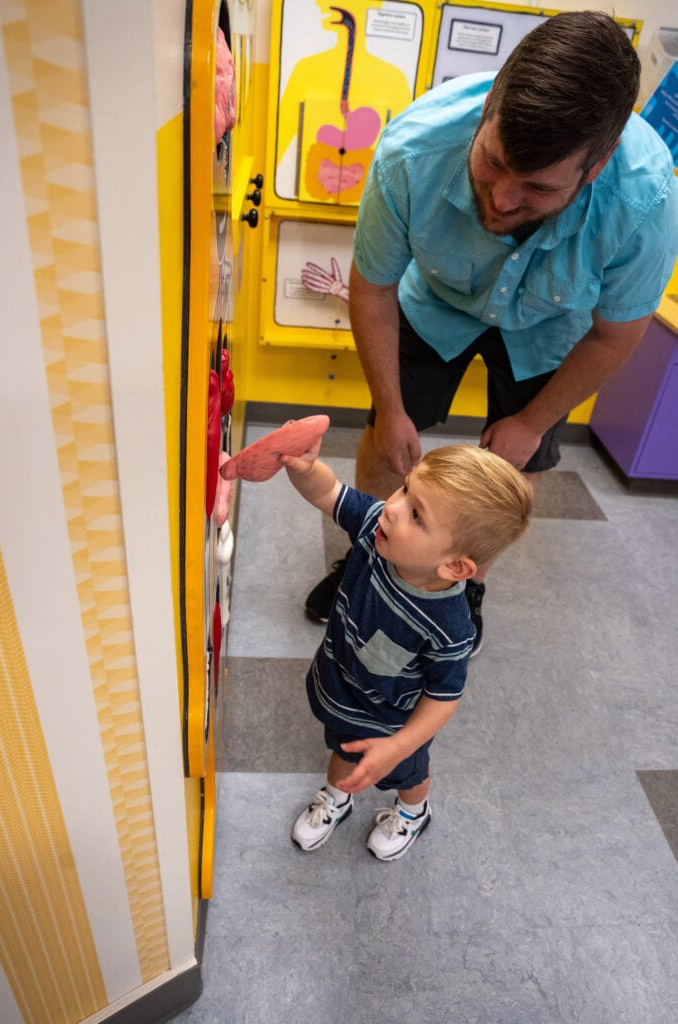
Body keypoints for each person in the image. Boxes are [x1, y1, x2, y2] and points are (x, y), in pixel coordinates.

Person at [304, 11, 678, 653]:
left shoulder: (644, 202)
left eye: (536, 187)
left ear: (597, 165)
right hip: (436, 303)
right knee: (386, 433)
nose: (502, 201)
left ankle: (463, 580)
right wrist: (392, 411)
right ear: (488, 110)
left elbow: (614, 337)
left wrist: (532, 423)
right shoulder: (412, 150)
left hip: (549, 325)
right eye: (491, 162)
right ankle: (366, 557)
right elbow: (374, 288)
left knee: (519, 459)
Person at [283, 437, 533, 860]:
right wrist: (304, 468)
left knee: (408, 774)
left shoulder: (450, 626)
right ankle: (337, 796)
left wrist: (399, 746)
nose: (392, 507)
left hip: (392, 727)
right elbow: (328, 491)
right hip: (341, 690)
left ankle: (413, 812)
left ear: (455, 567)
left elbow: (443, 696)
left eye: (417, 515)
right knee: (341, 744)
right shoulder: (374, 527)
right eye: (404, 488)